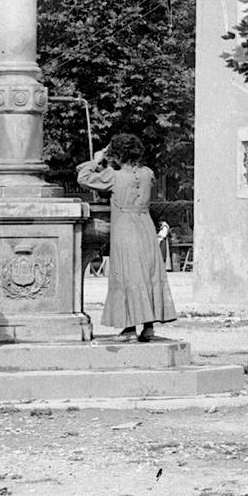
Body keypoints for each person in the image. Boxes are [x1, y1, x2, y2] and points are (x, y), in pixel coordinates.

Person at [77, 134, 176, 342]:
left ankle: (129, 328)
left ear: (117, 154)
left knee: (127, 275)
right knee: (147, 274)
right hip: (145, 226)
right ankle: (148, 328)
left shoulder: (113, 175)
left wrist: (97, 160)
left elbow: (83, 177)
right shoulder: (148, 173)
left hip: (125, 228)